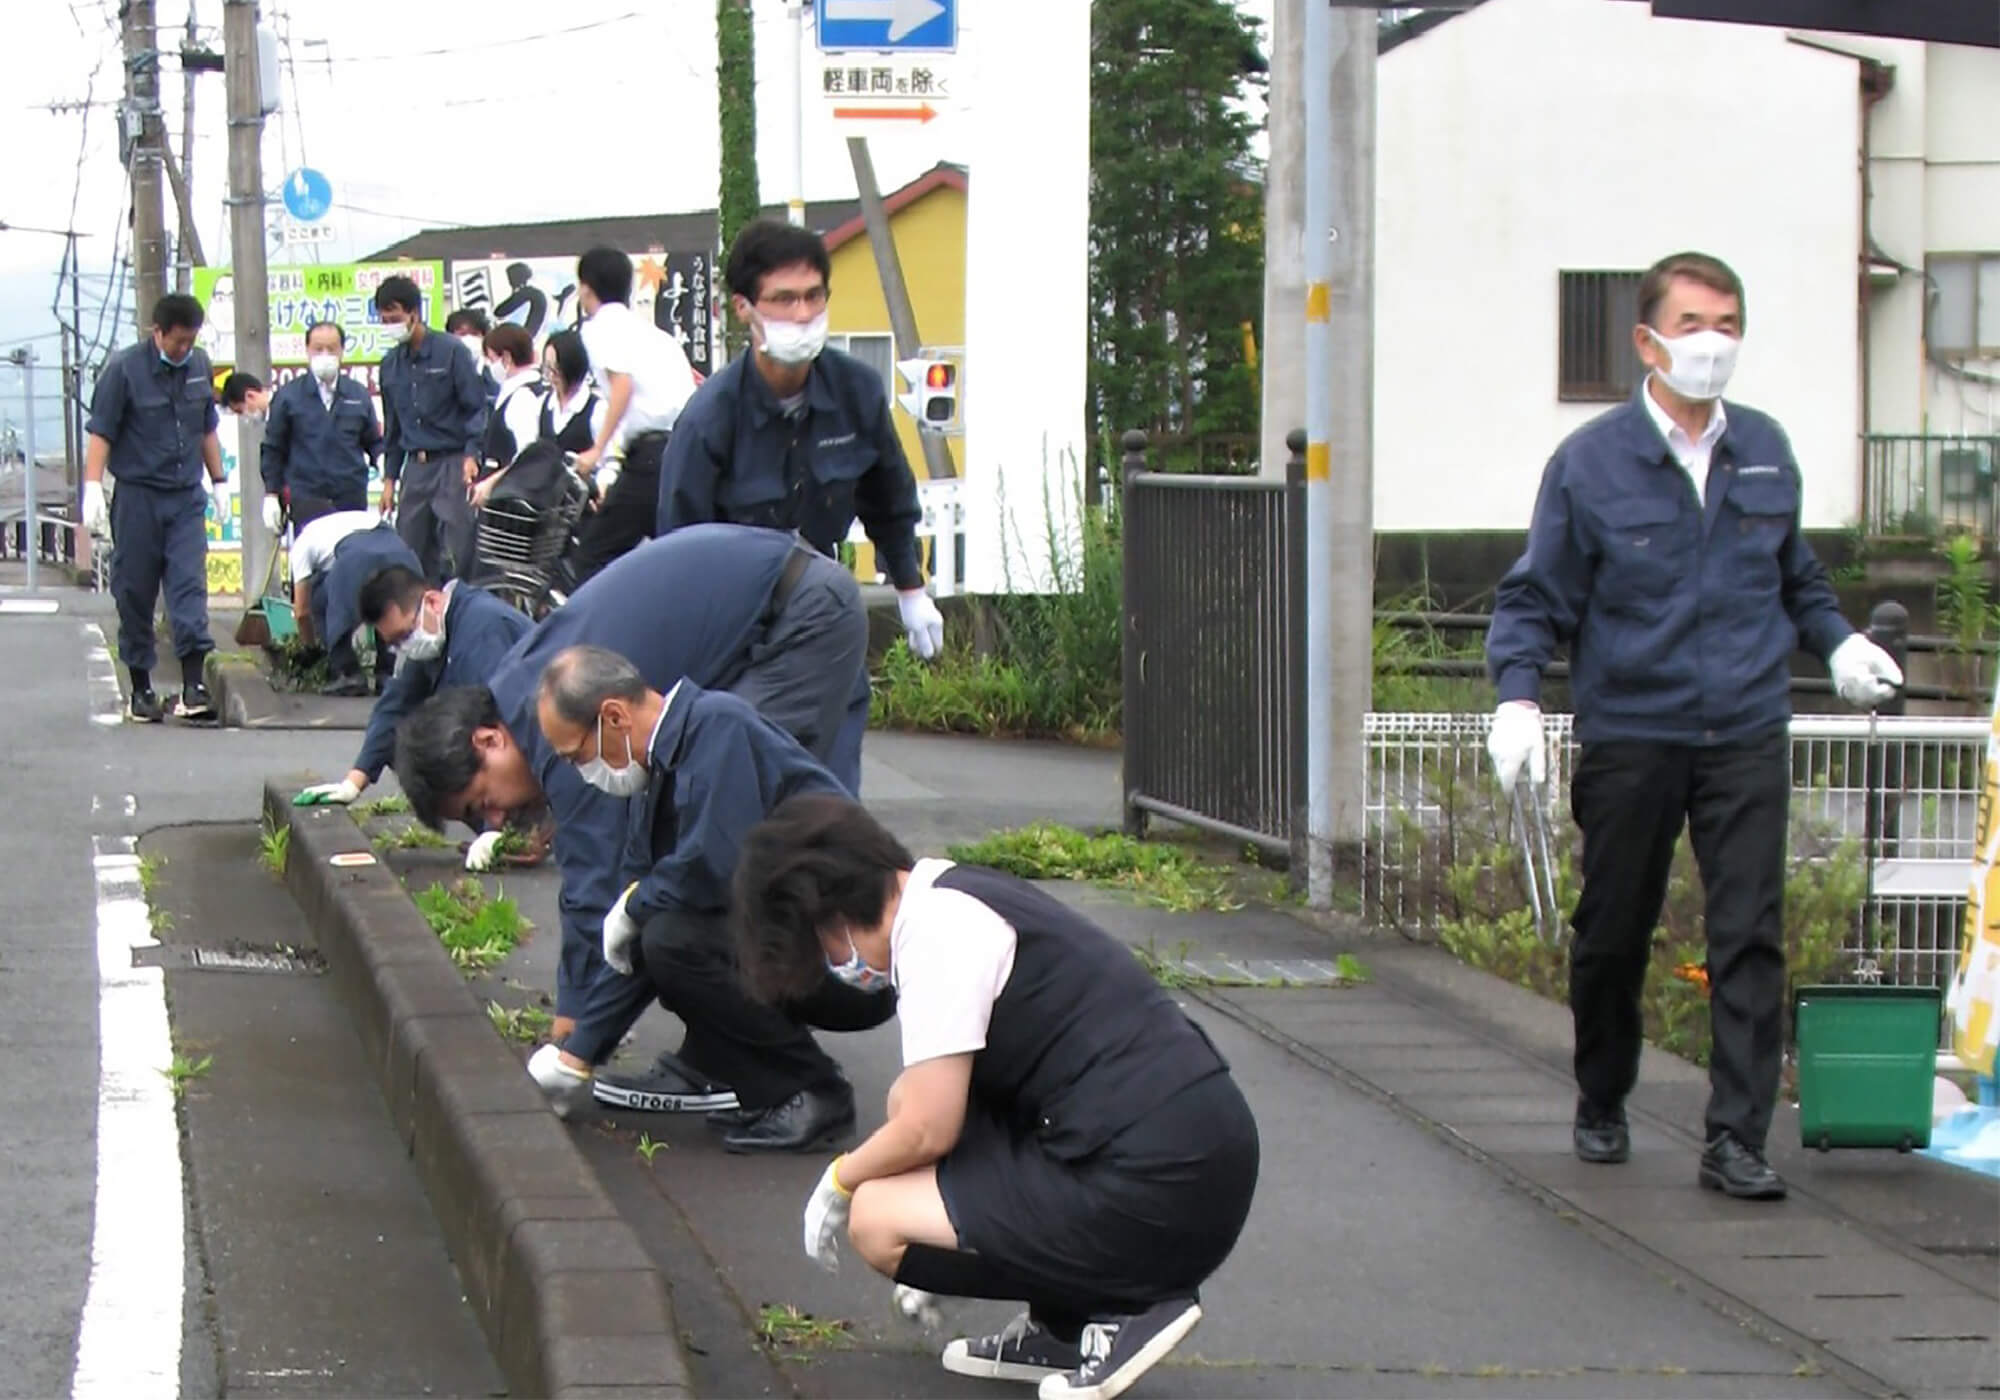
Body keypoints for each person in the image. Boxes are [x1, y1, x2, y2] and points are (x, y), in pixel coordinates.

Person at [1484, 250, 1905, 1201]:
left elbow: (1796, 579)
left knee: (1749, 933)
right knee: (1613, 932)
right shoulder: (1589, 465)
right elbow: (1533, 599)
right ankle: (1602, 1095)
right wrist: (1517, 698)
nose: (1711, 344)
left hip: (1747, 728)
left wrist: (1837, 645)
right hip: (1635, 729)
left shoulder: (1764, 450)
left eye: (1726, 325)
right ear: (1647, 341)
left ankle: (1736, 1140)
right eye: (1692, 325)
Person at [730, 792, 1260, 1399]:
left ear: (829, 919)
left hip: (1159, 1182)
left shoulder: (935, 936)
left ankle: (1127, 1304)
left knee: (877, 1219)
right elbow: (934, 1106)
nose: (835, 969)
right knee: (908, 1097)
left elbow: (930, 1129)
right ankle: (1060, 1327)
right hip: (1187, 1149)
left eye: (820, 952)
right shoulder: (952, 895)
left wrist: (841, 1182)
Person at [391, 524, 871, 1099]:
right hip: (780, 600)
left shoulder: (551, 726)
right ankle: (739, 1045)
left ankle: (782, 1074)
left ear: (487, 741)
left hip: (795, 615)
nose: (495, 820)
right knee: (713, 855)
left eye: (482, 803)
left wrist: (573, 1032)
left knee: (740, 837)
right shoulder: (525, 697)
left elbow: (601, 875)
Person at [531, 647, 895, 1151]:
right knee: (663, 932)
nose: (581, 771)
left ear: (613, 716)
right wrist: (577, 1056)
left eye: (576, 754)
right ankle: (713, 1064)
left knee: (676, 938)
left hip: (858, 957)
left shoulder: (717, 729)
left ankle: (812, 1092)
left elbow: (716, 867)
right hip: (799, 936)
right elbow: (640, 922)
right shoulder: (656, 769)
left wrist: (637, 906)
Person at [655, 218, 946, 784]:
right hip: (740, 632)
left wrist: (910, 588)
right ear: (745, 309)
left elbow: (888, 495)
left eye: (814, 296)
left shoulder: (856, 392)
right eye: (783, 299)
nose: (802, 314)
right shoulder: (710, 419)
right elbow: (678, 548)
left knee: (831, 793)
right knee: (751, 786)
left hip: (827, 613)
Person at [80, 292, 231, 722]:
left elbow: (206, 428)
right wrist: (92, 485)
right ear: (157, 332)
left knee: (188, 587)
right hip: (138, 495)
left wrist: (219, 480)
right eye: (177, 341)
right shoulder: (124, 370)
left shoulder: (199, 367)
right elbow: (102, 433)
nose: (184, 349)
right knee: (135, 590)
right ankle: (142, 689)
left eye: (190, 341)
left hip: (185, 495)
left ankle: (193, 685)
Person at [294, 564, 533, 820]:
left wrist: (500, 832)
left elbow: (500, 731)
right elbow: (394, 706)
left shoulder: (481, 631)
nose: (405, 646)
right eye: (395, 644)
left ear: (431, 601)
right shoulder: (431, 636)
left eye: (405, 635)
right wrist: (354, 781)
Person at [569, 246, 698, 583]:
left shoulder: (598, 328)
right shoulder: (653, 334)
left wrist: (597, 449)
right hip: (684, 453)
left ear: (585, 287)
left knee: (591, 557)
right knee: (675, 561)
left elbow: (621, 386)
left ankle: (608, 634)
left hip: (650, 457)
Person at [376, 274, 488, 583]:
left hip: (452, 463)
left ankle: (464, 618)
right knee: (410, 554)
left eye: (395, 317)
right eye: (384, 319)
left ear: (414, 313)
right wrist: (389, 480)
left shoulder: (451, 351)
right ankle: (420, 625)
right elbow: (393, 431)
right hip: (415, 469)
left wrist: (471, 454)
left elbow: (475, 407)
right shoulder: (389, 365)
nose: (390, 325)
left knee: (461, 551)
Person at [259, 323, 382, 534]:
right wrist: (271, 494)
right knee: (310, 564)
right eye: (318, 349)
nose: (325, 354)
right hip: (307, 499)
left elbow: (373, 441)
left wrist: (383, 463)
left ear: (342, 350)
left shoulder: (358, 394)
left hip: (350, 499)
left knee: (352, 561)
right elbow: (273, 449)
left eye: (332, 349)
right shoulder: (288, 396)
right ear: (307, 350)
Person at [288, 509, 420, 696]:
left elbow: (302, 611)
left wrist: (310, 648)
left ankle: (346, 671)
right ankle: (387, 671)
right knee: (384, 600)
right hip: (399, 552)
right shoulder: (348, 520)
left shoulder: (301, 545)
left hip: (357, 556)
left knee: (318, 595)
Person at [478, 323, 546, 474]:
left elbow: (526, 454)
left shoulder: (521, 398)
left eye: (491, 359)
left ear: (506, 357)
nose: (489, 366)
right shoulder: (533, 388)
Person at [446, 307, 500, 401]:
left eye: (475, 334)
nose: (469, 339)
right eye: (463, 334)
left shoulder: (496, 370)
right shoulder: (443, 372)